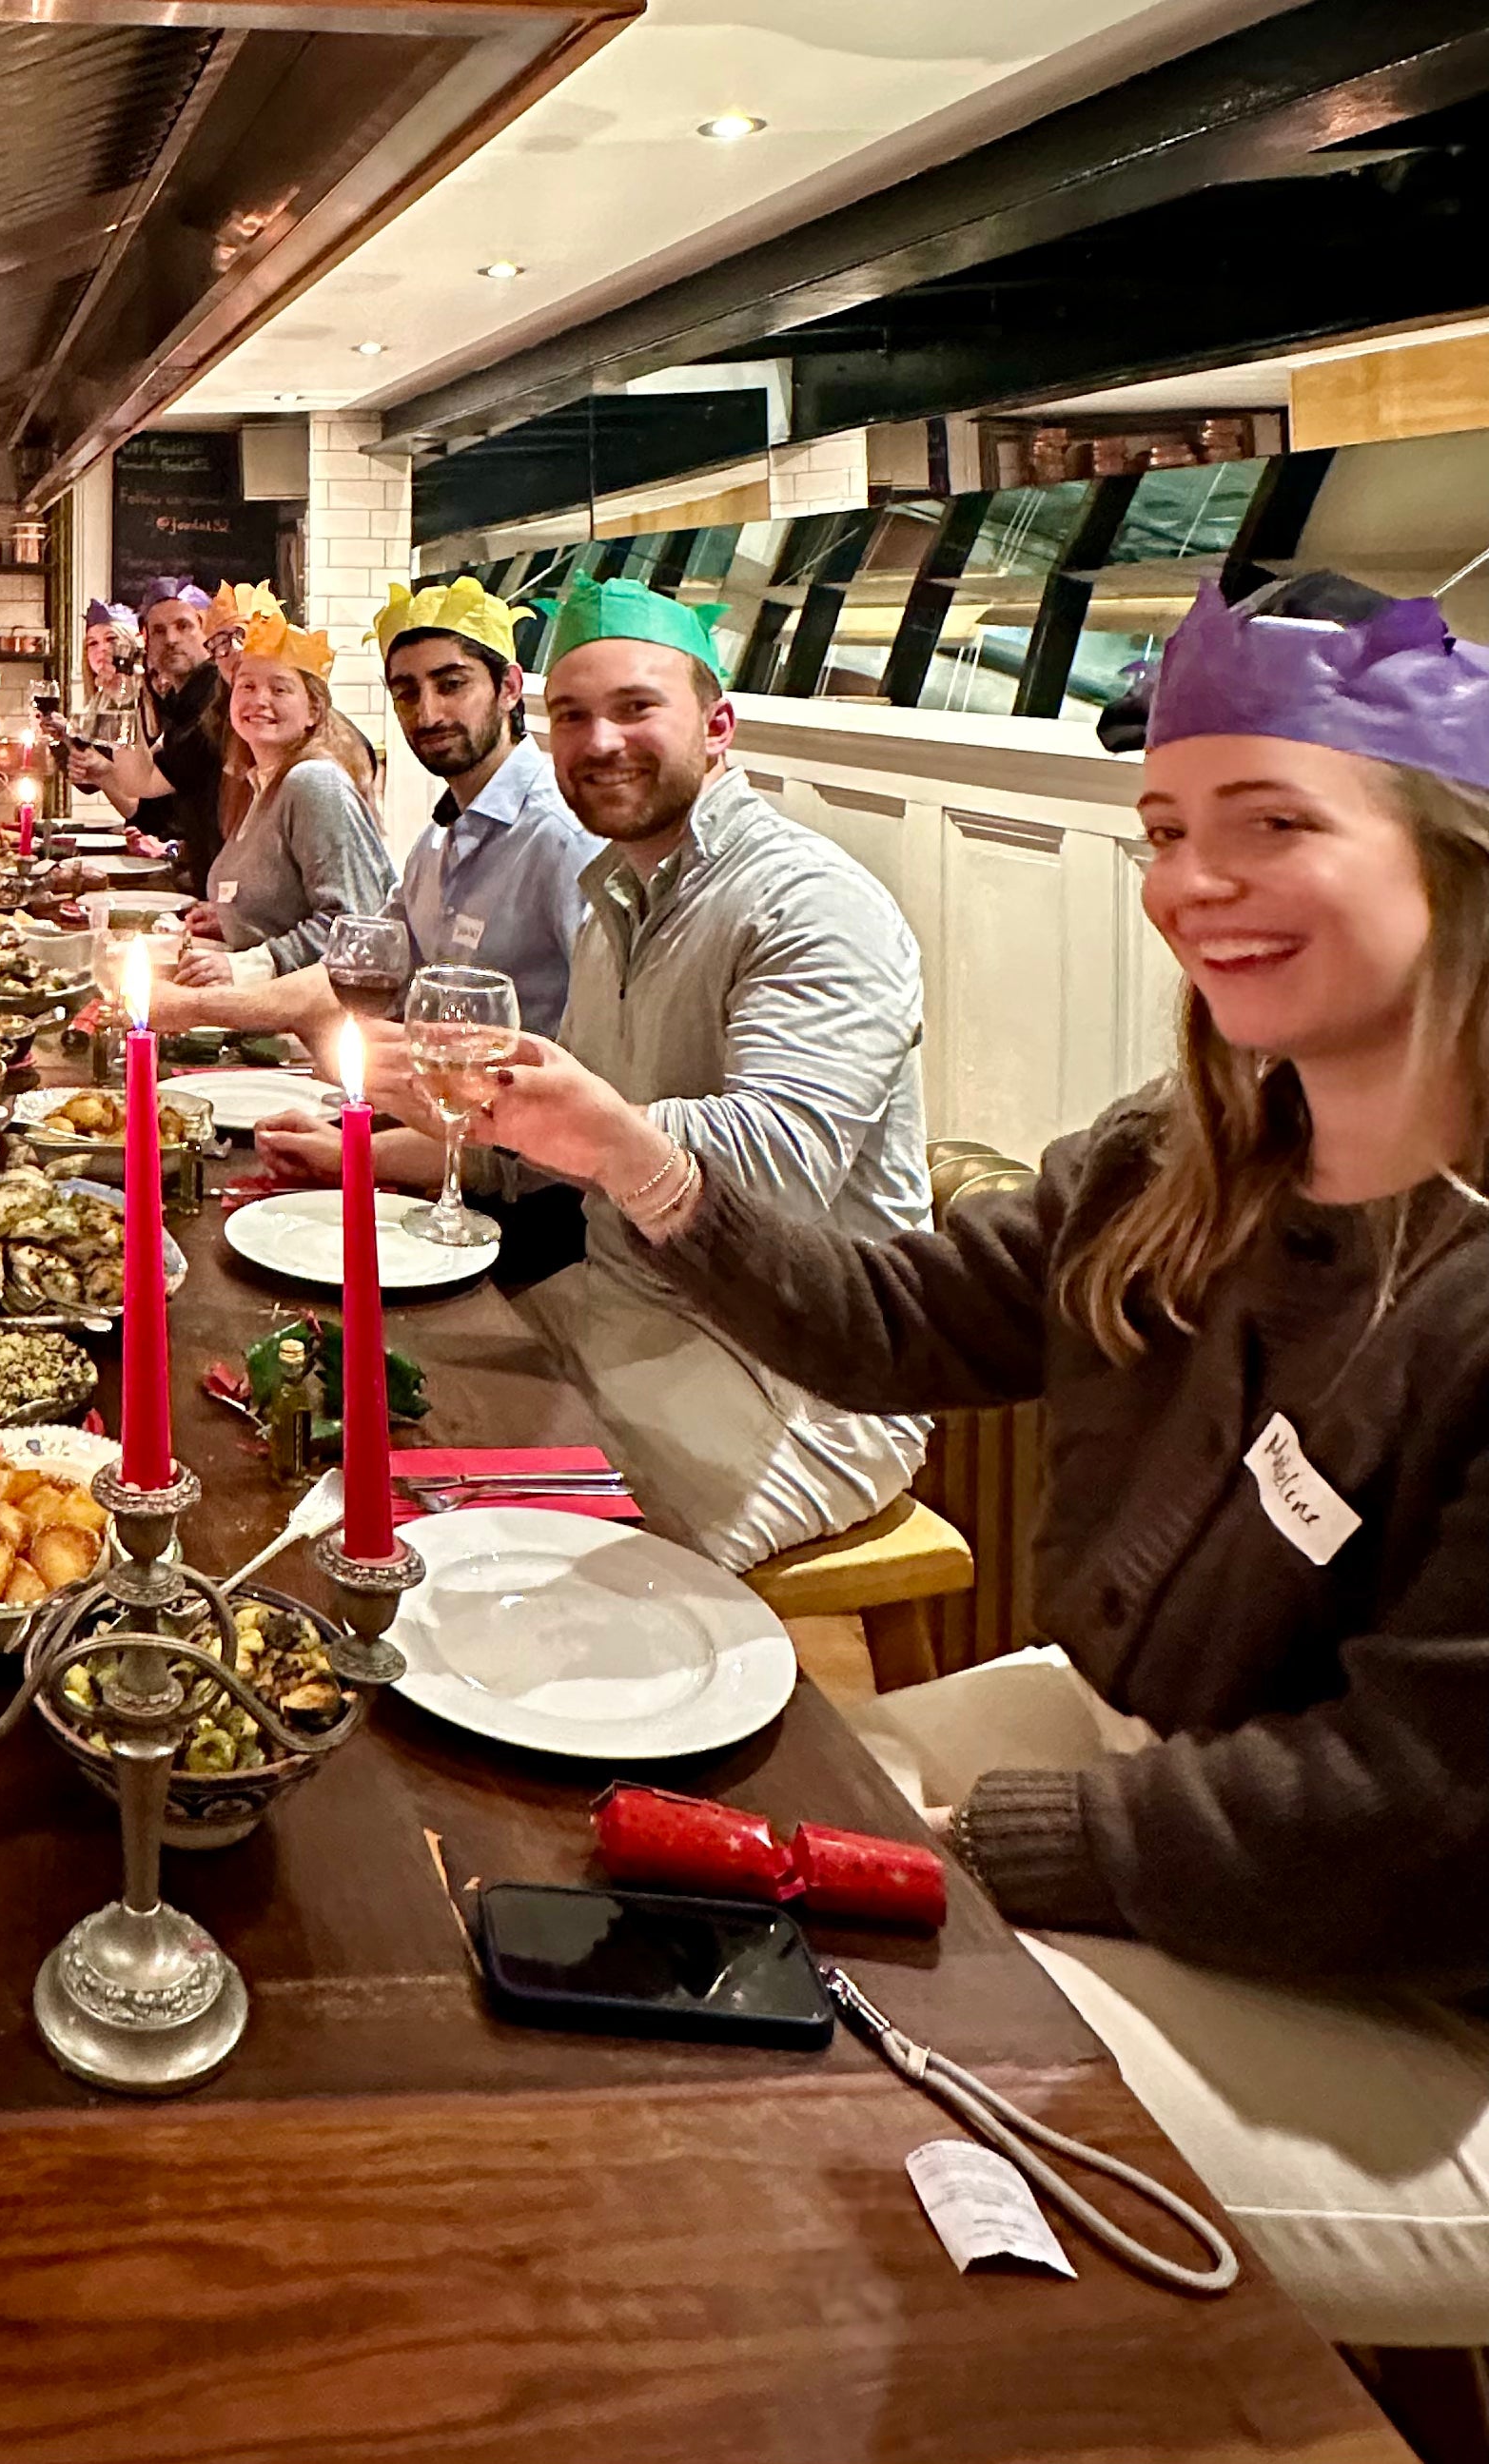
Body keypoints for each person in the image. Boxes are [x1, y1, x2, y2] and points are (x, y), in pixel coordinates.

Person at [480, 575, 1489, 2348]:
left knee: (810, 2088)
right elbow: (896, 1322)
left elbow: (1410, 1816)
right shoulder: (1179, 1159)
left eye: (1270, 824)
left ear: (1455, 862)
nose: (1192, 882)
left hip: (1425, 1990)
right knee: (670, 1872)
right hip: (1155, 1755)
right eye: (1165, 830)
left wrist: (987, 1843)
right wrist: (640, 1163)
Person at [361, 573, 931, 1572]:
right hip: (613, 1310)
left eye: (635, 708)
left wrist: (576, 1118)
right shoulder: (615, 898)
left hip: (793, 1380)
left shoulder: (811, 901)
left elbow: (780, 1171)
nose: (600, 742)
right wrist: (390, 1145)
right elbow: (561, 1151)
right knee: (359, 1421)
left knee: (481, 1569)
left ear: (718, 726)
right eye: (573, 716)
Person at [151, 575, 596, 1040]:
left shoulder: (562, 837)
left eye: (452, 685)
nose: (428, 713)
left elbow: (603, 1051)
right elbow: (355, 967)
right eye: (406, 692)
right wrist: (198, 1007)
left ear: (509, 688)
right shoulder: (436, 843)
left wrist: (199, 1005)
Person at [178, 609, 394, 982]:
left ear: (313, 710)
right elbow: (284, 902)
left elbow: (353, 927)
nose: (259, 700)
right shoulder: (259, 785)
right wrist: (235, 917)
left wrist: (246, 965)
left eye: (279, 689)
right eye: (247, 686)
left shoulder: (313, 782)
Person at [68, 575, 226, 890]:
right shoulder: (182, 702)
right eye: (159, 631)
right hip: (204, 873)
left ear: (207, 633)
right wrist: (124, 701)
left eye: (183, 626)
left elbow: (141, 784)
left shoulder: (215, 697)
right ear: (147, 644)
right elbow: (138, 784)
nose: (171, 639)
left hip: (227, 881)